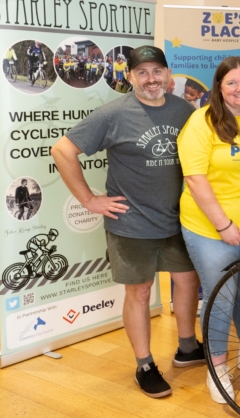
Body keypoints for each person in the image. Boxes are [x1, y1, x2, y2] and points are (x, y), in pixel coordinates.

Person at [51, 46, 201, 399]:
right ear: (130, 77)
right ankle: (145, 364)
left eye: (158, 71)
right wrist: (89, 199)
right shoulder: (112, 114)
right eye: (143, 72)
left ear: (168, 75)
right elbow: (62, 150)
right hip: (132, 222)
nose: (152, 79)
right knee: (139, 291)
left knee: (188, 279)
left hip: (178, 219)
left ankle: (187, 347)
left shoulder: (184, 110)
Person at [177, 56, 240, 404]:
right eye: (231, 83)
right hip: (211, 227)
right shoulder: (202, 122)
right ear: (218, 87)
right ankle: (217, 369)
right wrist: (224, 224)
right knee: (220, 297)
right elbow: (195, 179)